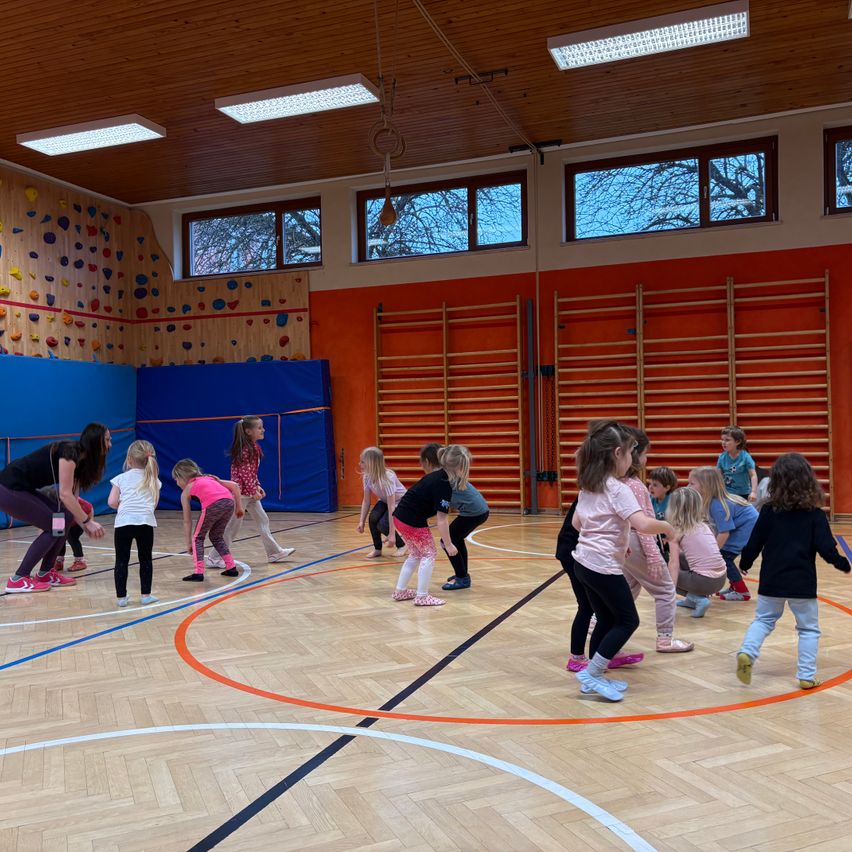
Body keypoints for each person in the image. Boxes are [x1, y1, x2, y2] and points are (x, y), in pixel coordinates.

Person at [571, 421, 675, 701]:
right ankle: (592, 674)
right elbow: (641, 524)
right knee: (628, 620)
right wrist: (667, 528)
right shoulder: (619, 489)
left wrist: (609, 538)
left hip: (583, 562)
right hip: (602, 566)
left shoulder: (588, 485)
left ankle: (594, 675)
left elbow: (577, 523)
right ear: (618, 454)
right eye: (631, 453)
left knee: (605, 618)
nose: (632, 460)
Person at [736, 453, 850, 689]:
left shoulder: (768, 512)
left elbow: (754, 542)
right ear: (809, 481)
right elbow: (826, 548)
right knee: (808, 629)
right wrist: (842, 563)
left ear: (776, 481)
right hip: (802, 582)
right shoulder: (815, 515)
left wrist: (745, 563)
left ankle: (747, 652)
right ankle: (806, 675)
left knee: (763, 620)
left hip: (771, 580)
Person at [0, 423, 109, 593]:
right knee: (54, 525)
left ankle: (45, 573)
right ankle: (18, 578)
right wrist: (88, 522)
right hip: (8, 487)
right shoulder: (69, 452)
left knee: (64, 518)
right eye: (107, 440)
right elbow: (65, 494)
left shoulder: (82, 462)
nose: (110, 444)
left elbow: (72, 500)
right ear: (96, 441)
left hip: (22, 488)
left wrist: (84, 524)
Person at [621, 429, 693, 653]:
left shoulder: (614, 482)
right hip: (635, 541)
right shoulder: (634, 486)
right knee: (664, 591)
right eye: (644, 454)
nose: (646, 459)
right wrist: (653, 556)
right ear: (633, 455)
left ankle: (596, 626)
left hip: (623, 544)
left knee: (627, 588)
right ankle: (665, 639)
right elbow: (644, 525)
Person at [556, 498, 644, 673]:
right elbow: (578, 524)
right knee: (587, 607)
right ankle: (577, 658)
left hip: (582, 552)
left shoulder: (598, 488)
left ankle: (603, 655)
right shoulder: (596, 489)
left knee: (604, 611)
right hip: (575, 552)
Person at [208, 416, 294, 568]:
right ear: (248, 431)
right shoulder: (246, 449)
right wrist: (253, 490)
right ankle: (214, 557)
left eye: (262, 427)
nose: (263, 430)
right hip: (240, 494)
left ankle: (274, 552)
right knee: (232, 527)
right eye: (259, 428)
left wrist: (257, 485)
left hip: (248, 491)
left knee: (263, 520)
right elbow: (245, 473)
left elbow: (251, 473)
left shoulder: (254, 447)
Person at [390, 445, 465, 607]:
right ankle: (422, 596)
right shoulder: (443, 483)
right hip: (411, 521)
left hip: (400, 518)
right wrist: (449, 543)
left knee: (416, 554)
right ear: (459, 467)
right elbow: (442, 520)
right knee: (429, 553)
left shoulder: (436, 477)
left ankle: (400, 591)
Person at [688, 466, 758, 601]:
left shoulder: (717, 505)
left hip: (748, 527)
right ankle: (734, 587)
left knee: (724, 557)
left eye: (692, 483)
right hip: (742, 525)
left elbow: (724, 532)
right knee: (723, 556)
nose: (688, 486)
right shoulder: (710, 502)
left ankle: (741, 590)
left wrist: (713, 552)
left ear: (705, 487)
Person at [108, 440, 161, 607]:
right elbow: (154, 504)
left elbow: (112, 502)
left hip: (124, 523)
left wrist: (124, 508)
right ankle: (146, 596)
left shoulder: (120, 479)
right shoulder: (154, 480)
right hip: (145, 522)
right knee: (145, 559)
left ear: (129, 460)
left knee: (121, 560)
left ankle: (121, 598)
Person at [173, 459, 244, 582]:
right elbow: (235, 486)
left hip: (213, 504)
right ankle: (231, 567)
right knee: (216, 536)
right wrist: (239, 507)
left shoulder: (187, 490)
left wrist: (189, 543)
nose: (177, 483)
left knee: (198, 538)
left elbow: (187, 520)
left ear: (182, 477)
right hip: (229, 502)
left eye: (176, 480)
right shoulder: (209, 478)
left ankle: (198, 572)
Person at [666, 487, 726, 618]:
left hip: (704, 581)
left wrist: (669, 594)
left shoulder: (676, 532)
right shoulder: (705, 525)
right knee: (684, 559)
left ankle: (698, 599)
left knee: (664, 570)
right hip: (721, 578)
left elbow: (673, 564)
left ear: (673, 508)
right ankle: (691, 600)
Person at [437, 446, 489, 591]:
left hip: (474, 513)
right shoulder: (451, 475)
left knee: (446, 541)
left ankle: (462, 577)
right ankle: (462, 574)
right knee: (456, 539)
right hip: (478, 511)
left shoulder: (446, 479)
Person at [356, 446, 406, 557]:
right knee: (373, 518)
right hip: (384, 501)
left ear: (372, 463)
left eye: (362, 462)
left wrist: (392, 534)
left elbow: (392, 507)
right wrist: (361, 521)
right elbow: (366, 501)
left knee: (383, 524)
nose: (360, 464)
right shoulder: (367, 477)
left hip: (400, 502)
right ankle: (377, 549)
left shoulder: (387, 478)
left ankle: (401, 545)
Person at [717, 425, 757, 502]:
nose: (723, 443)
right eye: (722, 440)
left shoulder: (745, 457)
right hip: (727, 493)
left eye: (727, 440)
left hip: (743, 493)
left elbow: (753, 475)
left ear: (738, 441)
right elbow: (718, 476)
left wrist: (753, 492)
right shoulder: (722, 457)